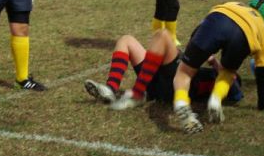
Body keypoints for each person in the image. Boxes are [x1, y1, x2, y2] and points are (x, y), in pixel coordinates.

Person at [172, 0, 264, 133]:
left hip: (217, 20)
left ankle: (181, 102)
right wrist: (262, 104)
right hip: (243, 36)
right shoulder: (261, 26)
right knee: (228, 72)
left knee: (184, 72)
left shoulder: (233, 4)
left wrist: (194, 50)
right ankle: (216, 100)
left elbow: (202, 26)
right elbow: (262, 69)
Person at [84, 29, 243, 109]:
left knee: (163, 35)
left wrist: (216, 64)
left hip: (172, 86)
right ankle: (111, 89)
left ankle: (138, 94)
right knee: (126, 40)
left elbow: (234, 89)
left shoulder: (228, 80)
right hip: (157, 79)